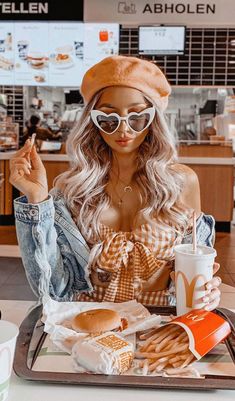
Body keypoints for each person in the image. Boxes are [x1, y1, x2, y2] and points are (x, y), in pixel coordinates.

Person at [9, 56, 221, 309]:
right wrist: (37, 200)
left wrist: (206, 290)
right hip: (87, 325)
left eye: (137, 116)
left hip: (160, 324)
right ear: (93, 122)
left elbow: (195, 263)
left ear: (154, 119)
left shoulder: (181, 182)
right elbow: (51, 287)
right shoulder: (73, 188)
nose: (124, 130)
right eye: (109, 118)